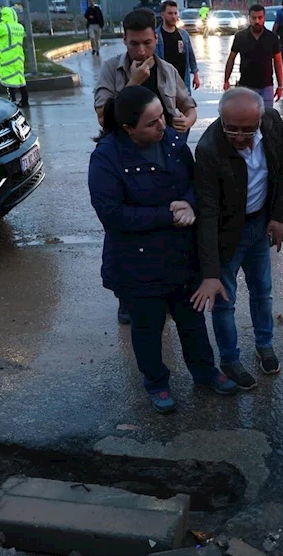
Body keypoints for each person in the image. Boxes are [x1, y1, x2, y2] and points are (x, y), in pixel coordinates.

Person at [88, 86, 239, 412]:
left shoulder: (171, 141)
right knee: (147, 328)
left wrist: (189, 202)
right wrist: (170, 215)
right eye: (151, 123)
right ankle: (156, 383)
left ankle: (205, 372)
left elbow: (196, 181)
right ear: (128, 128)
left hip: (182, 256)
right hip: (137, 264)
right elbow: (112, 215)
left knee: (193, 321)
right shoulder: (106, 157)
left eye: (162, 117)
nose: (162, 126)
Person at [95, 9, 198, 325]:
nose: (141, 51)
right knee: (126, 227)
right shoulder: (113, 70)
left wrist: (185, 122)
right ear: (124, 38)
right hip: (125, 159)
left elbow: (189, 106)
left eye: (148, 43)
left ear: (155, 38)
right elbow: (103, 118)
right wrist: (133, 82)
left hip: (164, 155)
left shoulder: (166, 69)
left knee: (166, 222)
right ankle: (128, 296)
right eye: (134, 43)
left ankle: (166, 288)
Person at [192, 88, 283, 388]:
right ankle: (230, 359)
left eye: (248, 130)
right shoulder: (209, 148)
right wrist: (210, 273)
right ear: (221, 118)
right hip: (226, 233)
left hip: (259, 224)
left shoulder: (273, 123)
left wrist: (279, 217)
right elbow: (207, 213)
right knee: (224, 301)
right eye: (231, 128)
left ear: (261, 119)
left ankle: (264, 344)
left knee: (262, 291)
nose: (239, 137)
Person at [225, 5, 283, 110]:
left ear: (264, 18)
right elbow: (231, 59)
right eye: (254, 18)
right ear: (249, 19)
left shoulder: (272, 37)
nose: (257, 21)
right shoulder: (240, 37)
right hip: (246, 87)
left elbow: (278, 62)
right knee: (247, 118)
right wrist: (226, 80)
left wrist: (280, 86)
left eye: (260, 18)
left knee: (267, 118)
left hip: (267, 86)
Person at [157, 1, 201, 93]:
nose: (173, 16)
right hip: (164, 83)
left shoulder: (183, 34)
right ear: (162, 15)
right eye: (170, 13)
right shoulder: (156, 36)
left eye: (175, 13)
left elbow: (191, 56)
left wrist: (196, 75)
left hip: (183, 82)